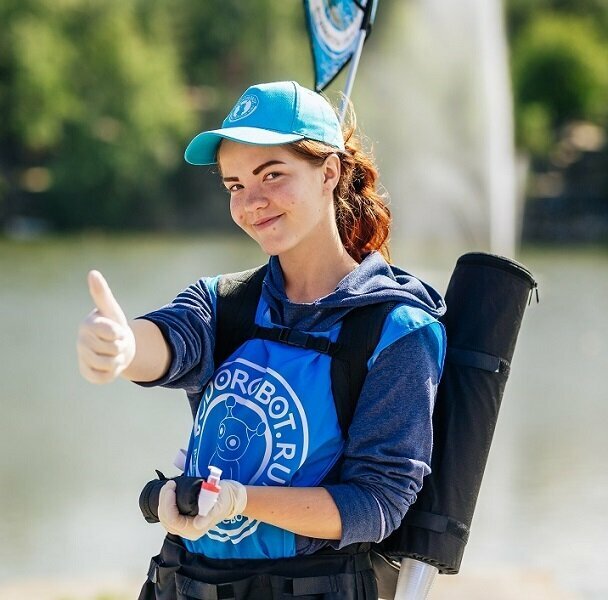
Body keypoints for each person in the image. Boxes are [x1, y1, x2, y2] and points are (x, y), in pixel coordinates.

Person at [77, 81, 447, 600]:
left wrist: (238, 500)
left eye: (272, 175)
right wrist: (123, 346)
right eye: (234, 185)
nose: (251, 202)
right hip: (187, 583)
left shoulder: (397, 330)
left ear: (330, 172)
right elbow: (170, 342)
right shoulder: (223, 302)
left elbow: (375, 504)